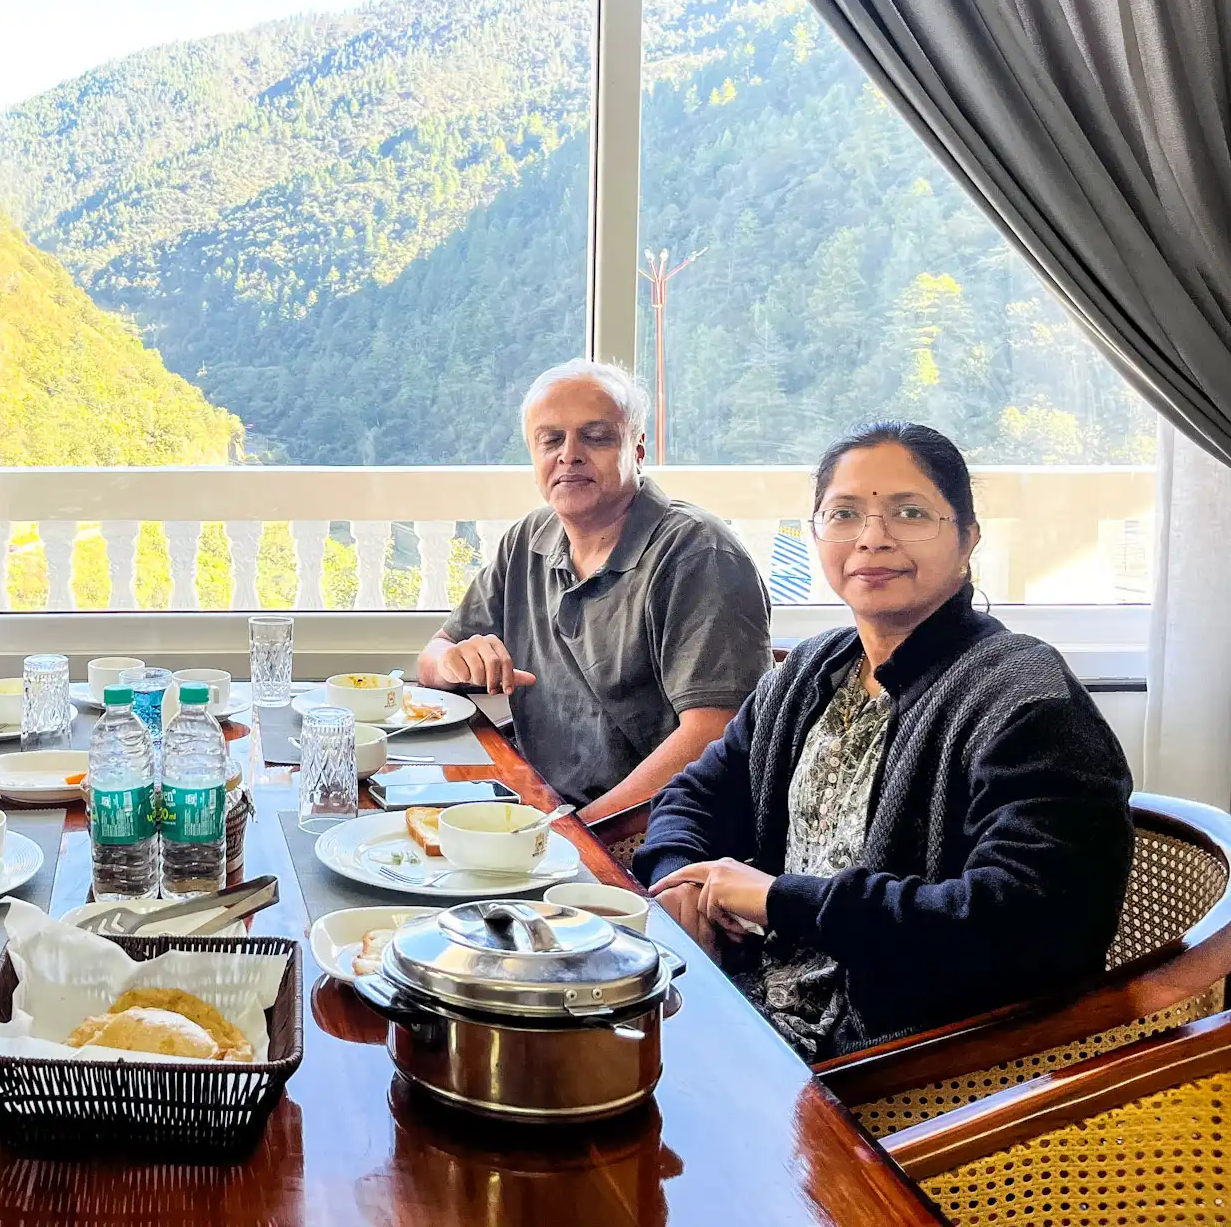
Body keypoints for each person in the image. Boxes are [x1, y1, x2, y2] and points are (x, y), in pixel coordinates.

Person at [635, 423, 1134, 1059]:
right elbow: (694, 796)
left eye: (910, 512)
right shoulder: (811, 673)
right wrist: (680, 879)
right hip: (742, 1007)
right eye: (844, 514)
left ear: (967, 540)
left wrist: (778, 900)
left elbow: (1029, 920)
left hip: (894, 1057)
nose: (872, 537)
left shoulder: (1023, 695)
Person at [418, 359, 771, 821]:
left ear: (637, 449)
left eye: (596, 436)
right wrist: (453, 661)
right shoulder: (529, 539)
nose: (569, 454)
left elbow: (714, 735)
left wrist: (576, 837)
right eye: (551, 439)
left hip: (652, 830)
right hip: (538, 807)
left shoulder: (698, 553)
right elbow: (432, 656)